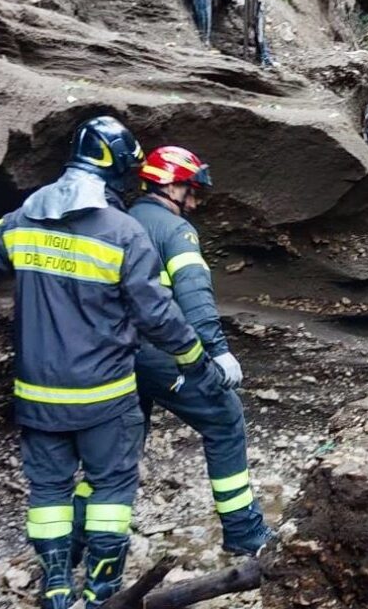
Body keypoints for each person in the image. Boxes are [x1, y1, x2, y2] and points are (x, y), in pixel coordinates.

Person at [0, 116, 222, 609]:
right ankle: (102, 589)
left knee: (48, 494)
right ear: (119, 170)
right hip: (105, 397)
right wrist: (196, 360)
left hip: (38, 396)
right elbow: (158, 315)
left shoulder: (21, 221)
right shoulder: (125, 233)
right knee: (111, 488)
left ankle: (57, 587)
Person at [129, 145, 272, 555]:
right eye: (190, 189)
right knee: (225, 419)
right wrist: (217, 350)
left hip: (113, 351)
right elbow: (193, 291)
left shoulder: (119, 221)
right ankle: (244, 531)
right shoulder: (175, 231)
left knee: (121, 446)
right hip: (158, 350)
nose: (195, 200)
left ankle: (86, 542)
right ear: (171, 185)